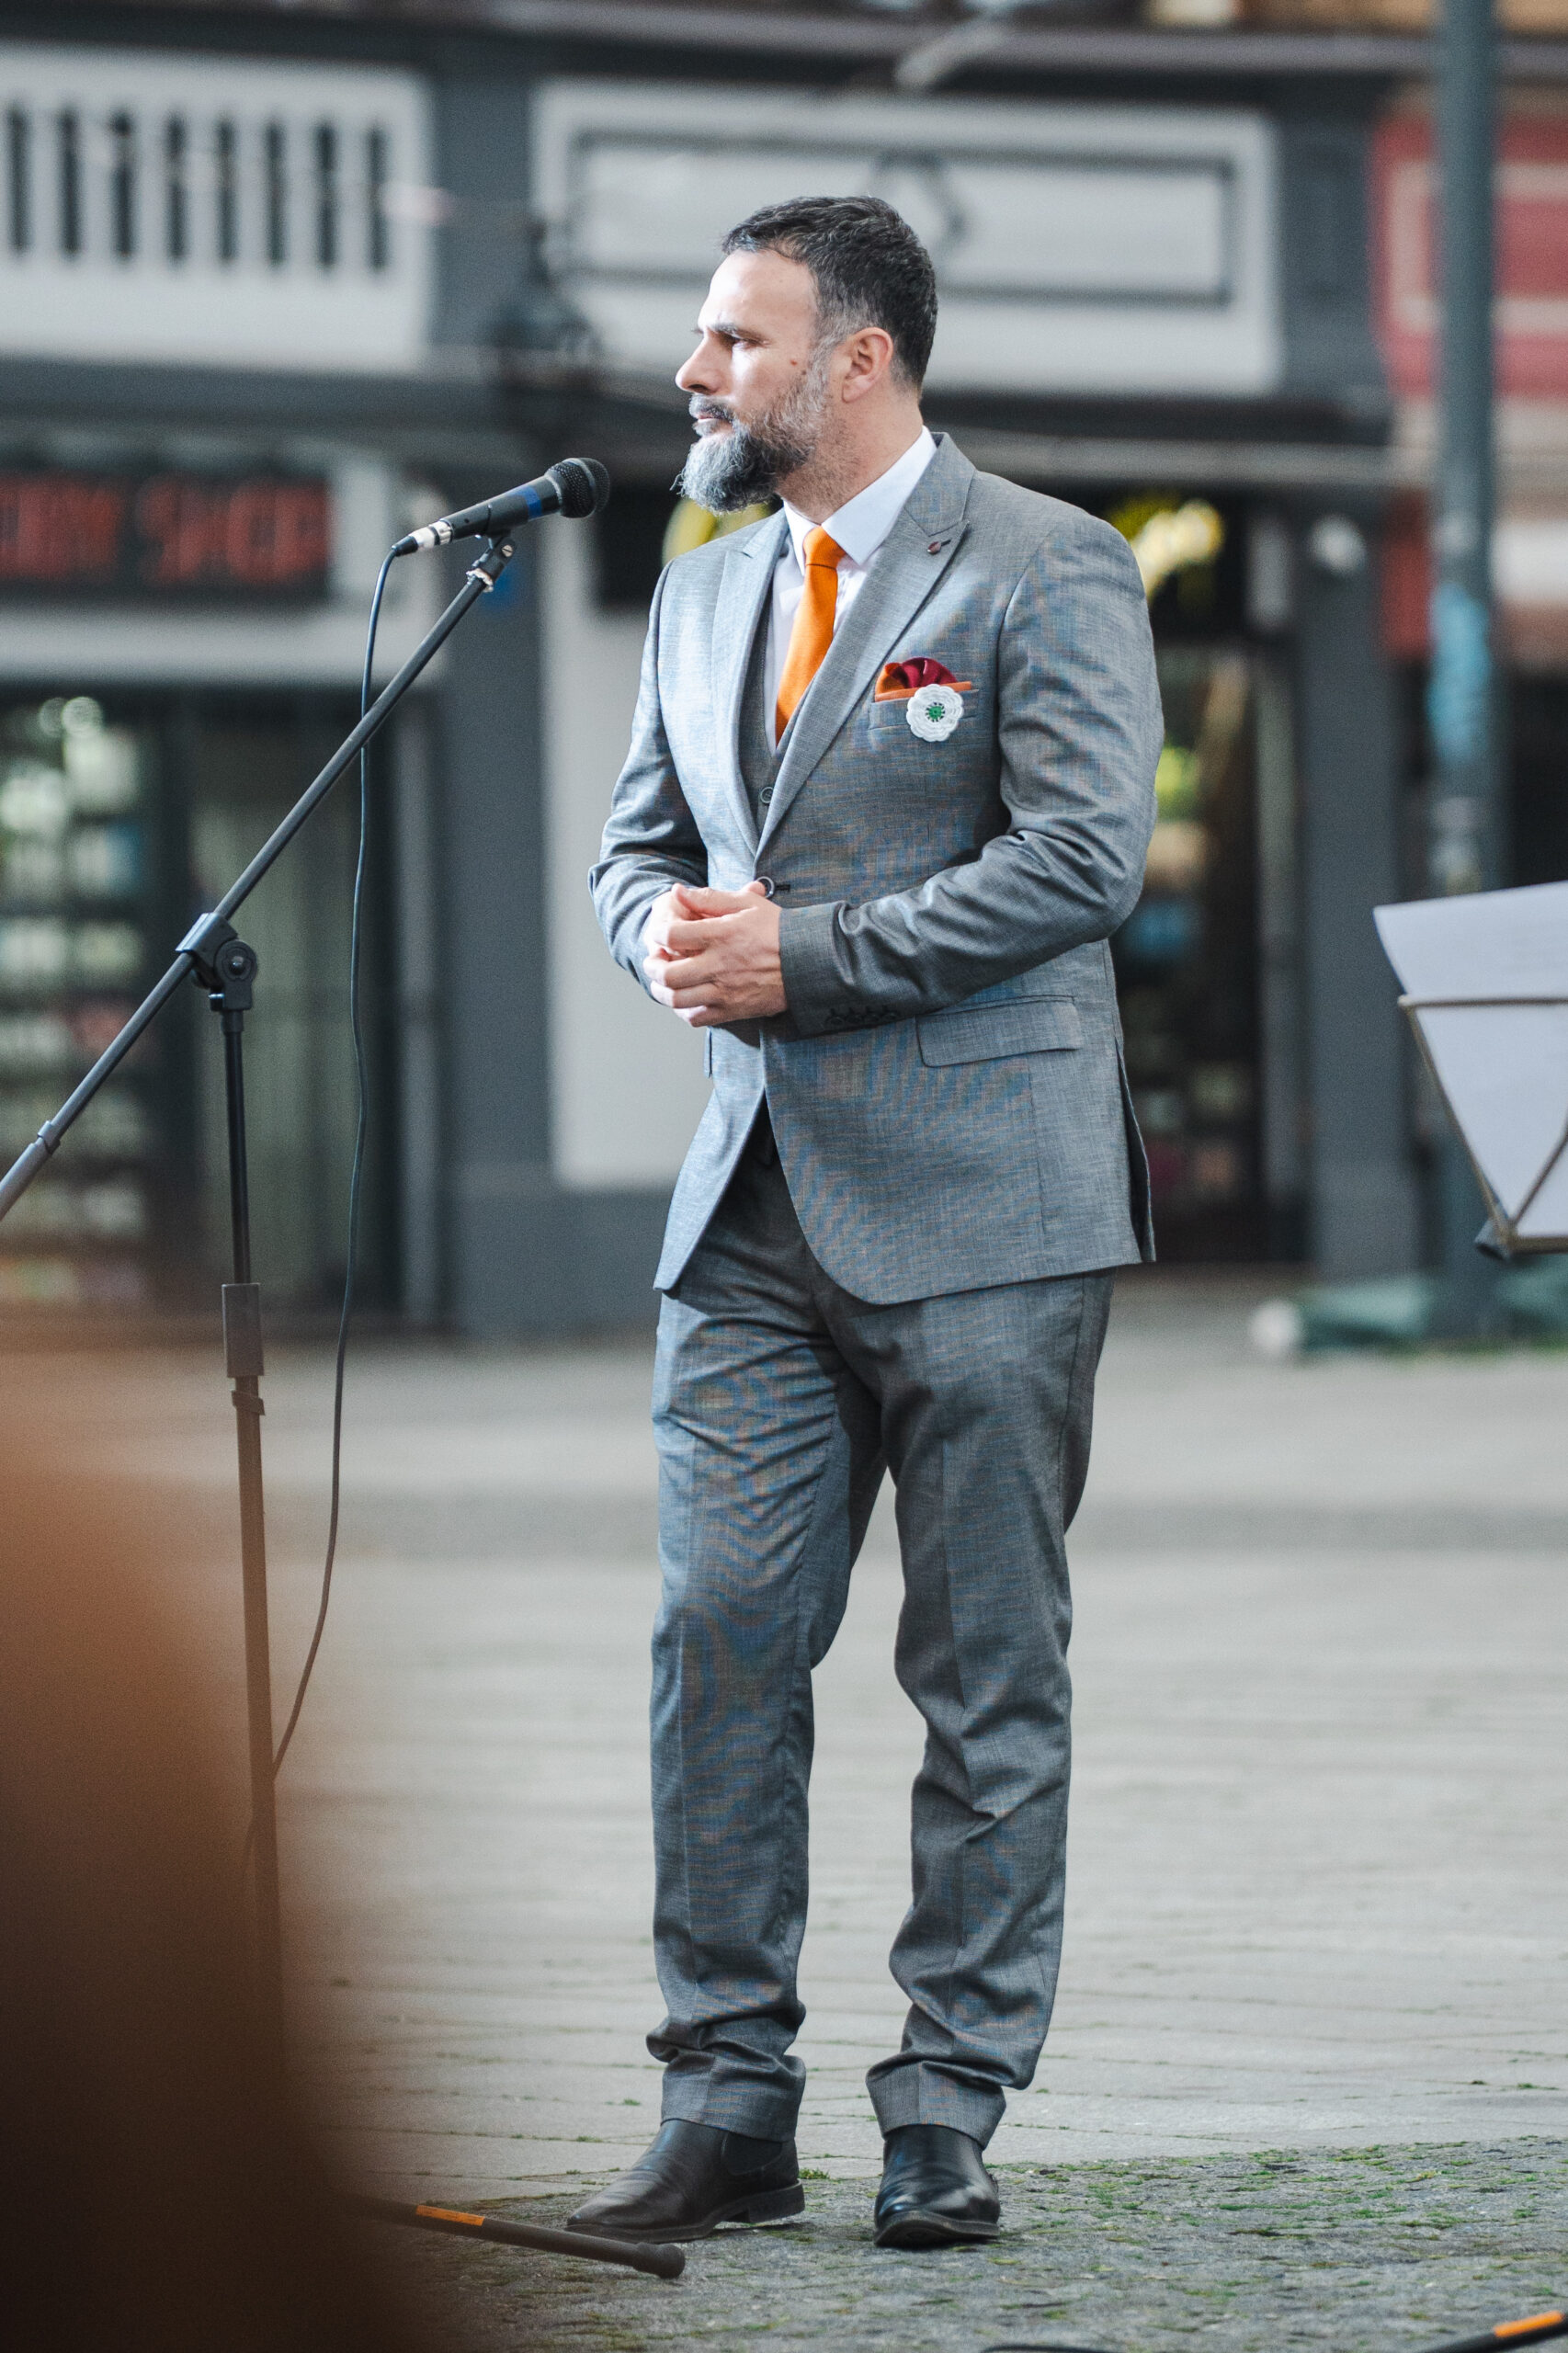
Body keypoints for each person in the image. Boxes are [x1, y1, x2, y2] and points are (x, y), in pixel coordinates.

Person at [575, 195, 1160, 2253]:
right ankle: (723, 2100)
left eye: (736, 339)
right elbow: (636, 846)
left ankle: (946, 2104)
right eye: (704, 337)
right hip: (748, 1209)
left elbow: (1082, 859)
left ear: (861, 358)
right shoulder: (700, 586)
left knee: (983, 1669)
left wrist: (804, 958)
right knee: (716, 1641)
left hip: (991, 1204)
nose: (695, 373)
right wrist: (662, 935)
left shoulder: (1046, 563)